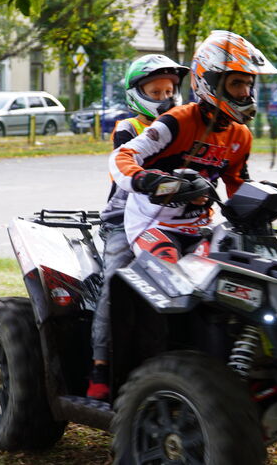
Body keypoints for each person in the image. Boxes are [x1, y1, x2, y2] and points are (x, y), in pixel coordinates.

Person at [108, 30, 277, 263]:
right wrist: (152, 182)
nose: (245, 93)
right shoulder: (178, 121)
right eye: (236, 83)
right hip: (153, 224)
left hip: (202, 227)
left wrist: (274, 195)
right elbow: (122, 156)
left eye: (249, 84)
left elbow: (237, 189)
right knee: (166, 279)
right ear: (211, 82)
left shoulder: (241, 135)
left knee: (239, 271)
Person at [87, 54, 189, 401]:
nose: (165, 97)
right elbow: (135, 161)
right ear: (137, 93)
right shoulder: (129, 128)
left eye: (170, 90)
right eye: (156, 91)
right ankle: (100, 366)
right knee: (114, 281)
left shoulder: (185, 127)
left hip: (176, 221)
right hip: (124, 220)